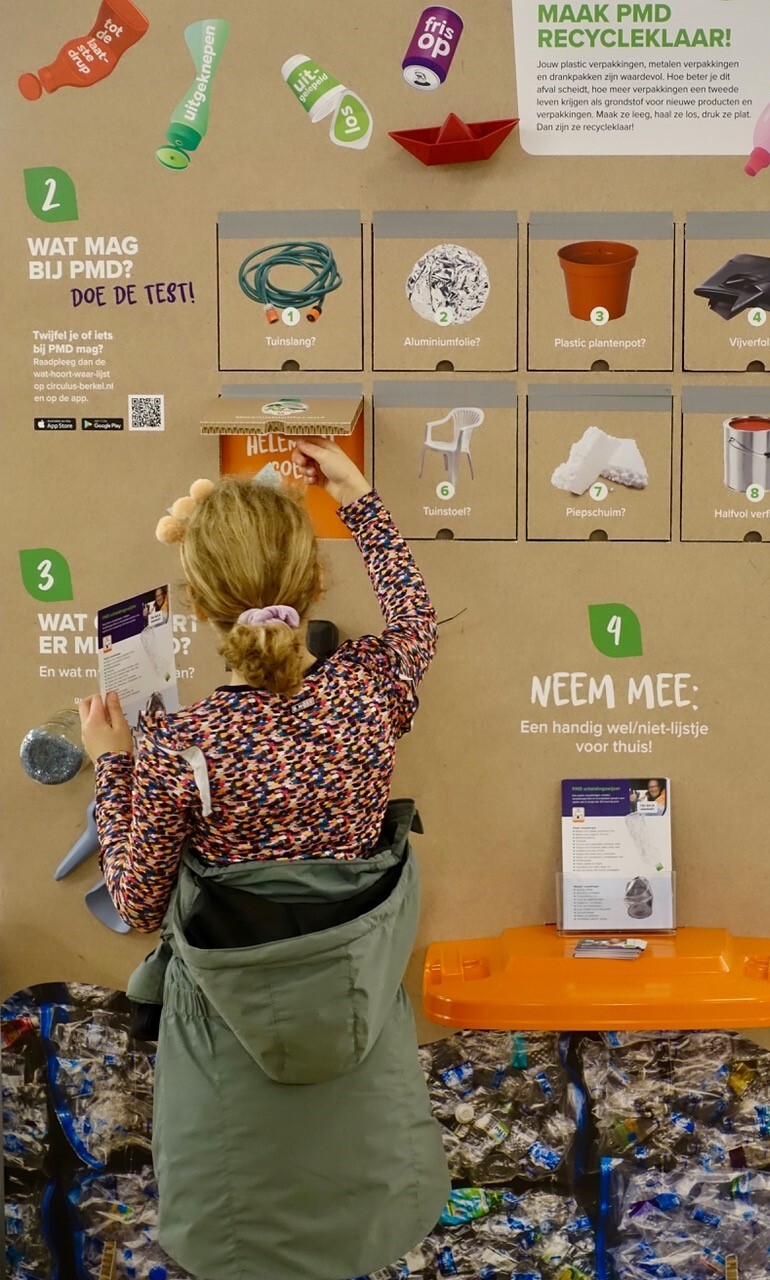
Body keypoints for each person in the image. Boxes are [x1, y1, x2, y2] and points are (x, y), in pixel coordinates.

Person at [78, 440, 451, 1280]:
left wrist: (113, 765)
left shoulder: (185, 743)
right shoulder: (369, 691)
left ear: (199, 606)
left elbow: (136, 902)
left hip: (229, 1054)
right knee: (361, 1221)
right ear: (313, 582)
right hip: (356, 1011)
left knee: (244, 1240)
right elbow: (417, 623)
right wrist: (359, 499)